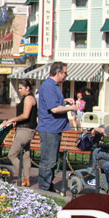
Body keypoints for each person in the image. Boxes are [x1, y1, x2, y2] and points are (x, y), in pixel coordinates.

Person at [36, 61, 78, 192]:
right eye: (65, 73)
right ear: (58, 72)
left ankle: (48, 185)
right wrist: (72, 108)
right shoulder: (49, 86)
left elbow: (52, 102)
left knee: (52, 160)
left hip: (55, 128)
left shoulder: (53, 86)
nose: (66, 76)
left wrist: (65, 101)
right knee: (48, 161)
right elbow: (53, 109)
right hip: (50, 128)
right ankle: (44, 188)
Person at [3, 79, 37, 187]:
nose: (19, 90)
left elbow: (25, 115)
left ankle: (22, 177)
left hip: (25, 129)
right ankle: (26, 179)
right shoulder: (26, 98)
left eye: (21, 88)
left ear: (28, 88)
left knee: (12, 154)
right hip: (24, 129)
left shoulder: (29, 99)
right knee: (26, 155)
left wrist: (11, 120)